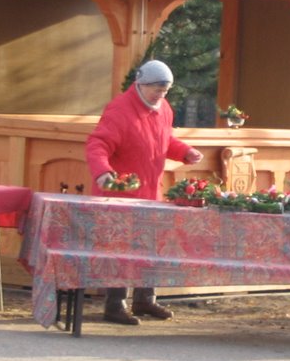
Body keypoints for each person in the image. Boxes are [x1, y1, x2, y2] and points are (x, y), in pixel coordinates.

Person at [85, 59, 204, 325]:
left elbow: (164, 140)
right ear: (140, 84)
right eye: (157, 89)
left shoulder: (164, 109)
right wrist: (103, 172)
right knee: (121, 248)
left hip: (151, 191)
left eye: (166, 90)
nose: (161, 94)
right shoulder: (119, 110)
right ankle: (114, 304)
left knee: (151, 246)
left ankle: (144, 299)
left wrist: (184, 151)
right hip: (120, 194)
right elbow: (98, 143)